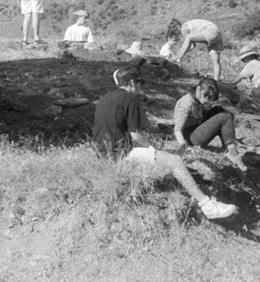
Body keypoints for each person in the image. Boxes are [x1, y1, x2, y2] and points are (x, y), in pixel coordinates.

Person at [92, 67, 237, 220]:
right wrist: (153, 148)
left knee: (162, 155)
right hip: (119, 154)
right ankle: (207, 206)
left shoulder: (105, 98)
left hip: (102, 153)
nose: (140, 88)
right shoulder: (130, 98)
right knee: (174, 161)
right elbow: (136, 135)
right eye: (139, 84)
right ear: (132, 82)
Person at [173, 78, 247, 171]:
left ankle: (227, 148)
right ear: (198, 89)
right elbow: (177, 130)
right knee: (225, 117)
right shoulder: (186, 103)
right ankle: (233, 153)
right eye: (205, 96)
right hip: (190, 138)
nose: (207, 99)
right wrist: (184, 146)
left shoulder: (198, 100)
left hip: (195, 128)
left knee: (221, 111)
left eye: (209, 97)